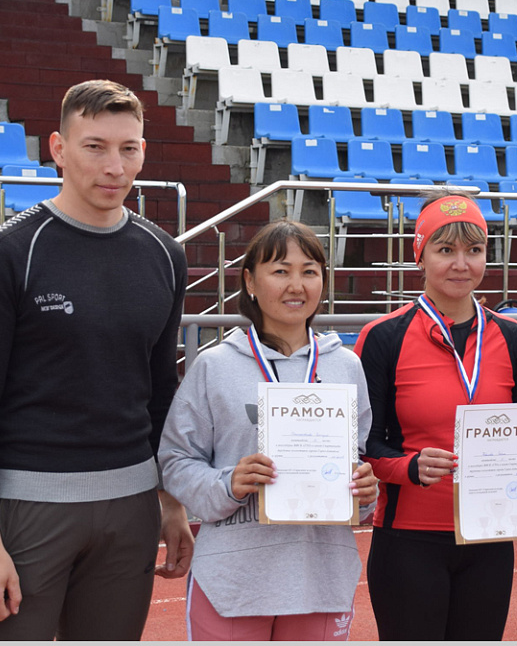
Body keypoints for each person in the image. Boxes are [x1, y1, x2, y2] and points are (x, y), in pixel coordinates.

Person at [0, 79, 193, 639]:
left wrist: (170, 500)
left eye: (130, 148)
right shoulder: (6, 253)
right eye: (95, 146)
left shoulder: (165, 255)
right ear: (58, 149)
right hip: (26, 512)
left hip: (132, 509)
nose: (114, 166)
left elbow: (161, 390)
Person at [354, 189, 517, 641]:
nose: (461, 263)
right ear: (420, 255)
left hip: (490, 537)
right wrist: (408, 467)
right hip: (409, 539)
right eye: (445, 249)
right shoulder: (382, 337)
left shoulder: (514, 338)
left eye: (474, 250)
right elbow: (364, 447)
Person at [158, 219, 378, 641]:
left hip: (322, 576)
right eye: (280, 271)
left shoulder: (346, 366)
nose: (296, 285)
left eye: (309, 271)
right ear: (250, 282)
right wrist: (228, 483)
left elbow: (358, 461)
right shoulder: (214, 366)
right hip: (232, 578)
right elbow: (174, 460)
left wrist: (365, 491)